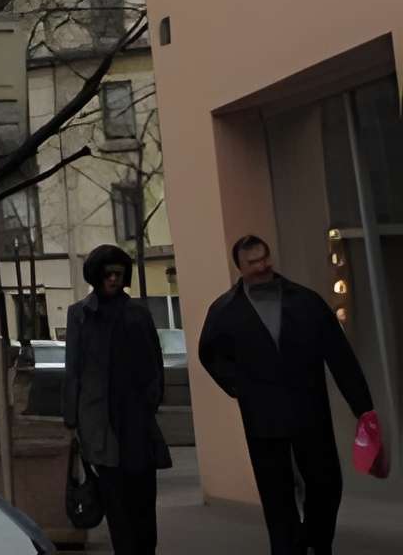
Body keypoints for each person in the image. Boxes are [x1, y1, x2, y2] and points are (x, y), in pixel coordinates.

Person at [197, 232, 380, 555]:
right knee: (275, 491)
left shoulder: (306, 302)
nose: (261, 266)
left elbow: (339, 355)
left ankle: (317, 540)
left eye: (264, 258)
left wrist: (362, 406)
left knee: (326, 482)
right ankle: (286, 548)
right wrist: (239, 386)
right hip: (262, 416)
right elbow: (209, 354)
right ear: (240, 267)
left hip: (310, 409)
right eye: (253, 262)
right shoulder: (225, 311)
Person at [66, 242, 170, 551]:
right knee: (116, 507)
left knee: (143, 504)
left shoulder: (138, 313)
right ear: (96, 275)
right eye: (107, 273)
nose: (113, 279)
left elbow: (155, 364)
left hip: (136, 422)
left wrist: (149, 403)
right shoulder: (80, 315)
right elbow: (73, 370)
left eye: (118, 274)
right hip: (99, 423)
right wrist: (72, 420)